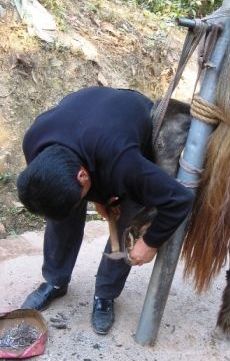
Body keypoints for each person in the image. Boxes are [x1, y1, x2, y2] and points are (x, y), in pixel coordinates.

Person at [17, 86, 193, 335]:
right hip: (87, 116)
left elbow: (180, 200)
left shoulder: (124, 162)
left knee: (124, 223)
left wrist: (151, 242)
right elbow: (54, 186)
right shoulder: (34, 142)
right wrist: (98, 197)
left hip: (127, 118)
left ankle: (105, 295)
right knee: (60, 213)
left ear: (83, 175)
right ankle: (55, 281)